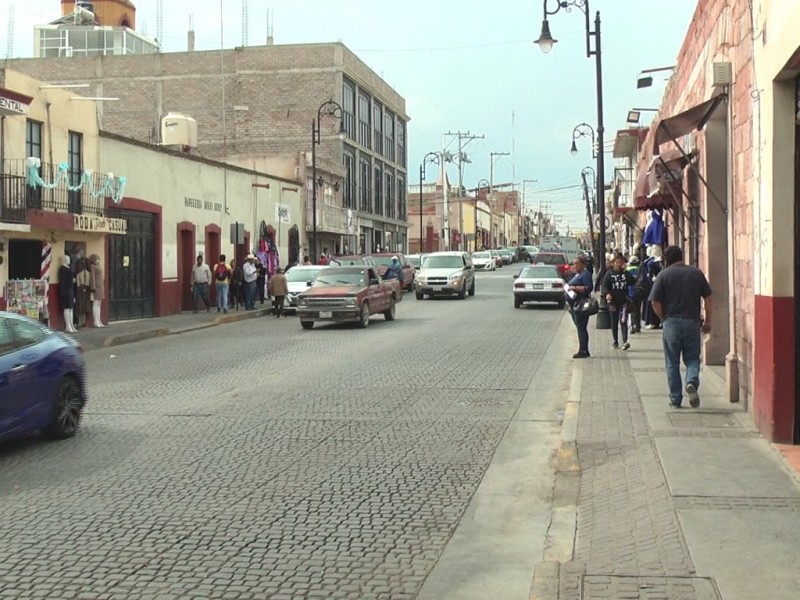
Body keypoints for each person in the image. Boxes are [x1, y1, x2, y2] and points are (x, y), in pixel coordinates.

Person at [649, 245, 713, 409]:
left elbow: (654, 301)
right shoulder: (696, 273)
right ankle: (691, 380)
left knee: (672, 362)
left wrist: (663, 318)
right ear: (681, 256)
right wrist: (708, 321)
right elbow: (708, 297)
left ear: (667, 260)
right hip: (692, 321)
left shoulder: (663, 276)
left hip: (671, 322)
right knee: (692, 358)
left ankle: (676, 398)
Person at [602, 254, 635, 350]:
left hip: (623, 301)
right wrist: (607, 294)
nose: (619, 264)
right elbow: (604, 286)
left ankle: (625, 341)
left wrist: (626, 271)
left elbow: (633, 281)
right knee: (614, 321)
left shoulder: (625, 274)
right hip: (612, 302)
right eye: (617, 262)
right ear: (613, 264)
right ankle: (615, 341)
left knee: (623, 320)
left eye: (621, 262)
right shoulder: (609, 274)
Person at [564, 255, 593, 359]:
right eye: (574, 263)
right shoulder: (576, 275)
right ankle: (583, 348)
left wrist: (575, 288)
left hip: (580, 304)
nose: (575, 265)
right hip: (573, 305)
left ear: (583, 264)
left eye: (577, 263)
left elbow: (588, 288)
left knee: (581, 328)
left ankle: (583, 350)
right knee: (579, 327)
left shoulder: (585, 274)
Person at [58, 255, 77, 333]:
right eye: (67, 259)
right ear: (63, 260)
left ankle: (71, 325)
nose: (69, 260)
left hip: (70, 290)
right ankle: (68, 325)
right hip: (66, 291)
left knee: (71, 308)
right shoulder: (62, 269)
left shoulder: (68, 268)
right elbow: (64, 282)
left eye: (69, 259)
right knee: (67, 308)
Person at [89, 254, 105, 327]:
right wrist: (93, 287)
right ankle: (96, 321)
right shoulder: (93, 266)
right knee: (95, 304)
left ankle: (99, 320)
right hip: (96, 287)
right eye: (96, 259)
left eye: (98, 259)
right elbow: (92, 277)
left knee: (99, 304)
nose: (98, 260)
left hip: (101, 286)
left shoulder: (99, 266)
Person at [626, 256, 641, 334]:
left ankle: (633, 325)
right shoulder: (639, 269)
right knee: (638, 310)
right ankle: (638, 326)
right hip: (639, 292)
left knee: (632, 310)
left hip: (630, 292)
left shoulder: (627, 270)